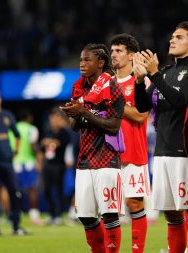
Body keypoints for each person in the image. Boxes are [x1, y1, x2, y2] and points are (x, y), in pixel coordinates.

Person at [134, 21, 188, 253]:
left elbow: (180, 100)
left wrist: (154, 74)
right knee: (171, 213)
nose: (172, 40)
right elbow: (142, 106)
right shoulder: (167, 73)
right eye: (172, 36)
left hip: (186, 152)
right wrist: (140, 81)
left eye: (179, 37)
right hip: (162, 152)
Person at [61, 43, 125, 252]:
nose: (82, 64)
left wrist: (85, 112)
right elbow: (74, 127)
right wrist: (73, 113)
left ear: (100, 62)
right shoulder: (79, 88)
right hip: (85, 159)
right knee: (86, 216)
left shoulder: (112, 87)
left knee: (109, 214)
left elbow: (114, 127)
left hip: (107, 158)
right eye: (81, 60)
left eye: (87, 60)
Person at [110, 33, 150, 253]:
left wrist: (114, 103)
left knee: (134, 204)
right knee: (109, 208)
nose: (113, 55)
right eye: (112, 50)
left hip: (133, 152)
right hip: (107, 155)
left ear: (132, 55)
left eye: (119, 51)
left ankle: (137, 250)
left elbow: (141, 115)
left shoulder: (140, 80)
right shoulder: (106, 82)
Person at [0, 87, 29, 235]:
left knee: (15, 192)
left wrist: (15, 151)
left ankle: (16, 226)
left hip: (7, 160)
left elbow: (17, 135)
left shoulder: (7, 115)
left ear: (0, 99)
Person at [9, 110, 42, 225]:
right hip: (28, 163)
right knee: (32, 189)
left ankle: (14, 214)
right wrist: (39, 158)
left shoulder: (12, 128)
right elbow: (33, 146)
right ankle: (34, 216)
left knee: (14, 190)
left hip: (15, 163)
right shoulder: (31, 129)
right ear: (29, 118)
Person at [40, 108, 71, 225]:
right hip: (48, 164)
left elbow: (60, 143)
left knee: (58, 190)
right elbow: (42, 147)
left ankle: (58, 215)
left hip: (59, 165)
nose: (53, 120)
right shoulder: (48, 131)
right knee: (46, 190)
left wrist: (49, 142)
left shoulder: (64, 132)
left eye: (56, 118)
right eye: (52, 118)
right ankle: (52, 214)